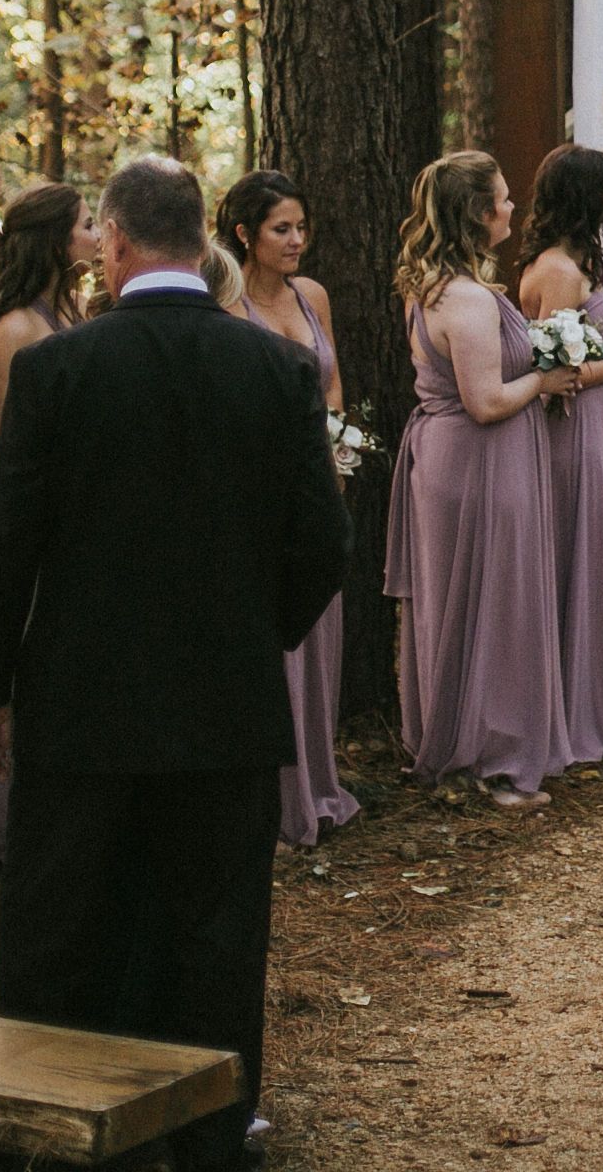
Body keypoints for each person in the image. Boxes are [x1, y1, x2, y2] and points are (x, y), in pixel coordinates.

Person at [0, 156, 349, 1172]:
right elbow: (323, 547)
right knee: (216, 931)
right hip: (226, 701)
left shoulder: (59, 370)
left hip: (82, 702)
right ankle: (211, 1135)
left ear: (121, 245)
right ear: (198, 244)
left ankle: (63, 1129)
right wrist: (251, 635)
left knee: (66, 924)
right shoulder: (276, 370)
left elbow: (11, 549)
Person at [385, 152, 581, 808]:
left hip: (468, 460)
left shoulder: (442, 286)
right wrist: (547, 379)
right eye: (500, 199)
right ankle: (492, 760)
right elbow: (487, 401)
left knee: (466, 604)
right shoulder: (465, 299)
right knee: (494, 603)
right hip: (477, 463)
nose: (511, 208)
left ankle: (470, 746)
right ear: (475, 212)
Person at [216, 169, 363, 847]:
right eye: (282, 228)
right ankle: (265, 798)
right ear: (245, 234)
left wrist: (335, 448)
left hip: (317, 487)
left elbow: (332, 389)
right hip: (253, 495)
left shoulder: (313, 296)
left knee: (317, 632)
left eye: (302, 227)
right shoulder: (224, 302)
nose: (297, 240)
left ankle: (315, 784)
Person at [0, 183, 104, 873]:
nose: (97, 234)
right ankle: (9, 832)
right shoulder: (17, 329)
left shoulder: (68, 314)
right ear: (53, 238)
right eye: (84, 224)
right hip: (38, 532)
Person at [517, 145, 603, 762]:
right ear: (587, 197)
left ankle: (594, 705)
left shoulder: (579, 262)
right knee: (579, 552)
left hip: (599, 424)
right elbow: (553, 368)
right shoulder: (557, 272)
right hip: (573, 431)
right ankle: (574, 715)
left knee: (598, 550)